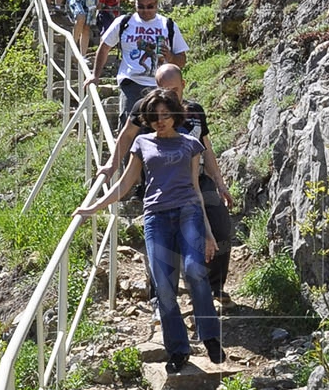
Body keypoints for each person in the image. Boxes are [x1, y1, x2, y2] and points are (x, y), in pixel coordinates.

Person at [77, 87, 222, 373]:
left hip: (188, 213)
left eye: (166, 115)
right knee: (164, 287)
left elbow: (195, 188)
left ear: (175, 115)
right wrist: (93, 207)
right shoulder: (141, 143)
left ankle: (210, 335)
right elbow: (126, 183)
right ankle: (178, 349)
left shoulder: (191, 144)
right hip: (156, 217)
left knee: (194, 270)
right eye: (155, 116)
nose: (160, 121)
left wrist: (208, 232)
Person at [94, 63, 233, 299]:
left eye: (175, 90)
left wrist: (220, 183)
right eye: (164, 89)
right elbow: (127, 135)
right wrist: (111, 165)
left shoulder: (196, 112)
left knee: (220, 226)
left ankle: (215, 286)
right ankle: (159, 297)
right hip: (159, 181)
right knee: (160, 239)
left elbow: (207, 150)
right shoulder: (145, 108)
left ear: (184, 86)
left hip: (197, 179)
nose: (170, 95)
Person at [92, 0, 187, 125]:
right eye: (141, 6)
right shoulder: (124, 22)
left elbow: (182, 60)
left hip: (161, 86)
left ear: (157, 4)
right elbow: (104, 47)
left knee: (161, 125)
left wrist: (171, 57)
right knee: (129, 124)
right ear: (134, 4)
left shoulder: (168, 25)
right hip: (131, 82)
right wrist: (95, 76)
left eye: (150, 6)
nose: (145, 11)